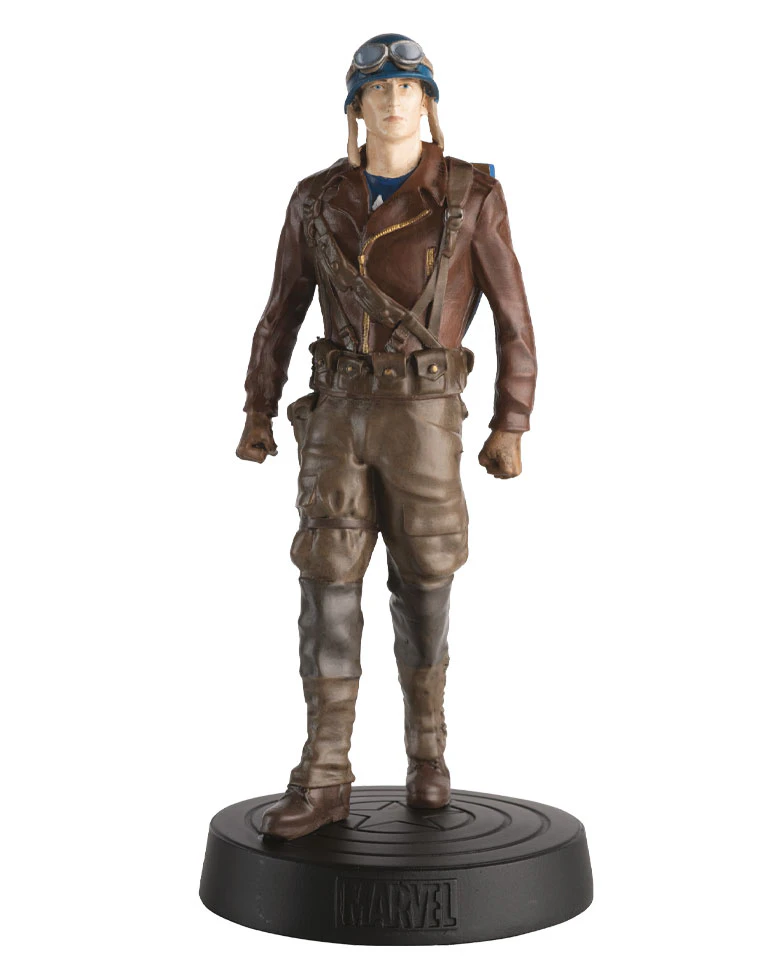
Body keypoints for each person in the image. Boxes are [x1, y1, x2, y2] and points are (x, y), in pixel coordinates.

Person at [236, 34, 537, 840]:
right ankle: (324, 773)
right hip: (336, 417)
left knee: (427, 581)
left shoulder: (471, 194)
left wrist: (512, 420)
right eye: (378, 89)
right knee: (326, 582)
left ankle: (428, 754)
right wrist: (258, 406)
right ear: (356, 107)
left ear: (428, 103)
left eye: (409, 87)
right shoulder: (315, 199)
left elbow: (514, 318)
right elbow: (281, 309)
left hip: (425, 418)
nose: (395, 101)